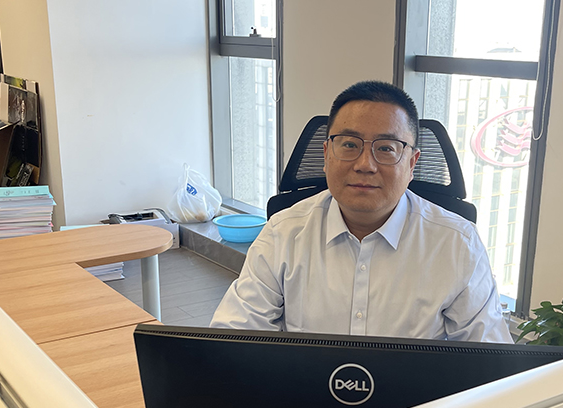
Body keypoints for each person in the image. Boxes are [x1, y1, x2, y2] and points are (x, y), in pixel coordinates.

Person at [211, 80, 512, 343]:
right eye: (349, 145)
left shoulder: (457, 244)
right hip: (301, 391)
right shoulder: (282, 233)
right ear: (326, 155)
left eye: (386, 148)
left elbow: (489, 359)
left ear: (412, 163)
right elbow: (234, 339)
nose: (365, 164)